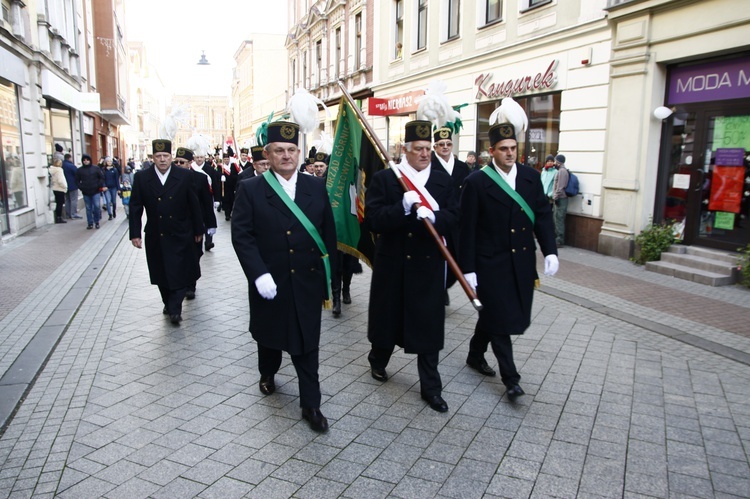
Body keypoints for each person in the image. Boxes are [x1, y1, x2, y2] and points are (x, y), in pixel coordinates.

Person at [231, 121, 336, 433]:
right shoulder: (251, 189)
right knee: (270, 337)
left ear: (299, 153)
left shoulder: (315, 187)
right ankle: (268, 372)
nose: (286, 155)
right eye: (279, 150)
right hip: (270, 282)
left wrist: (329, 279)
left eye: (291, 150)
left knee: (307, 344)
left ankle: (311, 404)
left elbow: (327, 235)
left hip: (306, 281)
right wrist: (258, 273)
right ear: (268, 153)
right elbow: (242, 236)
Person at [458, 116, 559, 400]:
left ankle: (475, 354)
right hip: (490, 264)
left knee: (494, 315)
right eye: (503, 148)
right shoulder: (476, 182)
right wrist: (468, 269)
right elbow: (466, 230)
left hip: (521, 262)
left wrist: (550, 250)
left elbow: (541, 215)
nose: (510, 153)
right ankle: (511, 379)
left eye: (513, 147)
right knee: (500, 320)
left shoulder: (530, 177)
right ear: (491, 152)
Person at [365, 120, 459, 413]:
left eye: (428, 149)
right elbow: (373, 220)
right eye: (418, 149)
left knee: (428, 327)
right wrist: (401, 208)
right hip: (393, 264)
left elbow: (456, 217)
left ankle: (431, 388)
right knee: (388, 321)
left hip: (427, 266)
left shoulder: (444, 182)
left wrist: (435, 216)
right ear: (405, 150)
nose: (425, 154)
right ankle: (378, 360)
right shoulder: (385, 179)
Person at [129, 139, 204, 325]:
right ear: (153, 158)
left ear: (171, 157)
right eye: (158, 156)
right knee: (160, 271)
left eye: (166, 156)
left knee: (179, 270)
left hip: (180, 232)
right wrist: (135, 233)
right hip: (156, 233)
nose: (162, 160)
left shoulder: (184, 176)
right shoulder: (142, 177)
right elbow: (136, 206)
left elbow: (194, 205)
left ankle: (175, 308)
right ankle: (168, 301)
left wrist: (198, 229)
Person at [430, 127, 471, 306]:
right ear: (435, 147)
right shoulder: (430, 165)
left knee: (457, 258)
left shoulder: (462, 167)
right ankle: (439, 289)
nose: (445, 147)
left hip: (458, 221)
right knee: (439, 257)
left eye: (448, 144)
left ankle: (446, 285)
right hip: (439, 219)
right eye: (441, 144)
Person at [174, 147, 217, 298]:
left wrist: (211, 224)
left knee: (194, 255)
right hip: (177, 226)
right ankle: (180, 285)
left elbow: (206, 203)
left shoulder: (200, 178)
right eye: (176, 161)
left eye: (182, 162)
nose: (178, 164)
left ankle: (191, 284)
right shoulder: (170, 179)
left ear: (189, 163)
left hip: (195, 226)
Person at [75, 154, 104, 229]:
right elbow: (77, 181)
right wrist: (81, 187)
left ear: (90, 160)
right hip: (86, 192)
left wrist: (98, 185)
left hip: (96, 191)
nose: (86, 161)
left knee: (97, 206)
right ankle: (90, 223)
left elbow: (101, 177)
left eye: (87, 160)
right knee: (88, 208)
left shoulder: (96, 168)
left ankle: (96, 221)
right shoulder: (80, 170)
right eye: (84, 160)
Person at [552, 154, 570, 247]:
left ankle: (559, 240)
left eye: (555, 161)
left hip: (561, 198)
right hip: (559, 198)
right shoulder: (560, 171)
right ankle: (557, 238)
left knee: (559, 219)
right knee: (556, 218)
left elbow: (560, 186)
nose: (554, 163)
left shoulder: (562, 171)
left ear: (558, 162)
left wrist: (556, 196)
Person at [222, 148, 242, 220]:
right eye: (225, 159)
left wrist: (235, 176)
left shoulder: (233, 166)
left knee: (233, 201)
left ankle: (232, 213)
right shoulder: (221, 167)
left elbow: (237, 175)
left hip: (233, 186)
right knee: (226, 201)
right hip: (225, 187)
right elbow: (216, 176)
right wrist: (221, 177)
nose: (226, 160)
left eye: (227, 159)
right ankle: (227, 214)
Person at [62, 153, 81, 219]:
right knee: (73, 200)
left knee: (67, 200)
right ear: (70, 158)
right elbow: (77, 174)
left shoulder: (62, 165)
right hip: (73, 185)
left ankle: (68, 214)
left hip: (64, 186)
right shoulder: (71, 166)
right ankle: (73, 214)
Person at [49, 158, 68, 224]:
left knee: (58, 203)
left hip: (55, 188)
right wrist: (65, 187)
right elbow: (61, 180)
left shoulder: (52, 170)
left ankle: (58, 217)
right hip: (60, 188)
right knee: (60, 204)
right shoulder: (59, 170)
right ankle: (59, 218)